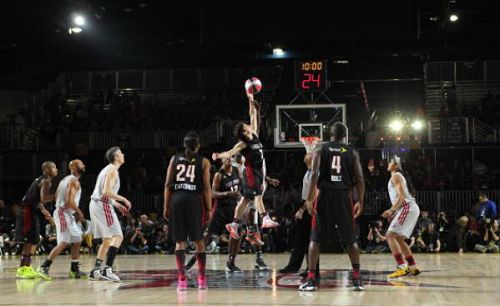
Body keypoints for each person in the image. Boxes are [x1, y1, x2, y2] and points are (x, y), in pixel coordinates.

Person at [299, 122, 365, 291]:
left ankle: (312, 279)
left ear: (331, 134)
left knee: (315, 238)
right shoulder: (352, 152)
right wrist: (360, 201)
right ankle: (357, 279)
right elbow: (360, 179)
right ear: (346, 136)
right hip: (344, 197)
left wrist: (309, 198)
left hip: (325, 197)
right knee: (351, 240)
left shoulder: (320, 149)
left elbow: (314, 174)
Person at [212, 93, 279, 241]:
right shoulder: (242, 144)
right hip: (250, 172)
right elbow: (229, 152)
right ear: (243, 131)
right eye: (246, 126)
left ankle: (234, 225)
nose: (249, 125)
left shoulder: (253, 134)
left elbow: (253, 116)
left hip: (258, 172)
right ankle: (265, 218)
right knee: (257, 195)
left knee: (245, 200)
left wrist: (251, 100)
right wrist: (218, 155)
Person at [163, 132, 212, 291]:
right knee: (199, 240)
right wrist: (209, 208)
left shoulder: (174, 159)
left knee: (180, 242)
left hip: (177, 199)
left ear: (184, 145)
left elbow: (167, 185)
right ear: (198, 146)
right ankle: (202, 279)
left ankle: (182, 279)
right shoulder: (204, 161)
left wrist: (166, 206)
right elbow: (206, 187)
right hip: (194, 201)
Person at [185, 156, 241, 272]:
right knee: (208, 236)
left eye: (231, 157)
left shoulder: (236, 170)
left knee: (236, 235)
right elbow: (214, 194)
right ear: (222, 161)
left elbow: (243, 183)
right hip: (221, 209)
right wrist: (228, 193)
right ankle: (192, 261)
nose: (230, 159)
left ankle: (231, 263)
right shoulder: (219, 175)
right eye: (227, 158)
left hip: (234, 208)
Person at [37, 160, 87, 280]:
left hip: (65, 213)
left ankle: (74, 269)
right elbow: (70, 201)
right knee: (64, 242)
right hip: (63, 213)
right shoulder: (73, 181)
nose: (84, 165)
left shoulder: (64, 180)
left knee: (77, 239)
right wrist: (80, 213)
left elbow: (58, 197)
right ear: (73, 167)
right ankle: (44, 267)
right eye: (81, 164)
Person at [88, 147, 132, 282]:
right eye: (120, 153)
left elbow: (105, 192)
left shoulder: (107, 169)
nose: (123, 155)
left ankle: (95, 270)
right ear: (116, 157)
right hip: (102, 205)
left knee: (107, 239)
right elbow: (106, 192)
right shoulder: (113, 170)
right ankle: (107, 269)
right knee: (118, 236)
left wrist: (117, 205)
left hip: (96, 204)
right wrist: (123, 199)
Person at [15, 161, 57, 279]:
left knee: (33, 240)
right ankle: (23, 269)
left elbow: (37, 200)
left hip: (29, 211)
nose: (56, 170)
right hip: (27, 212)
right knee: (31, 240)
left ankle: (25, 268)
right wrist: (58, 195)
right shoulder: (46, 181)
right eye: (54, 167)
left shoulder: (40, 180)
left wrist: (45, 212)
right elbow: (44, 199)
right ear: (47, 169)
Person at [381, 156, 421, 278]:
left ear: (396, 166)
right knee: (398, 239)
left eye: (391, 162)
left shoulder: (395, 176)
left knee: (389, 236)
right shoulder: (397, 176)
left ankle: (402, 267)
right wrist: (395, 212)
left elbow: (402, 195)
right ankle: (413, 267)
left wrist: (391, 210)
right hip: (409, 208)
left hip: (407, 208)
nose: (388, 163)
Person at [280, 149, 318, 275]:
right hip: (306, 206)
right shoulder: (308, 172)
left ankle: (311, 269)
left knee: (309, 240)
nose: (307, 154)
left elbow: (313, 195)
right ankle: (300, 267)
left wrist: (301, 210)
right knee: (303, 240)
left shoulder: (315, 173)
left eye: (310, 154)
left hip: (311, 209)